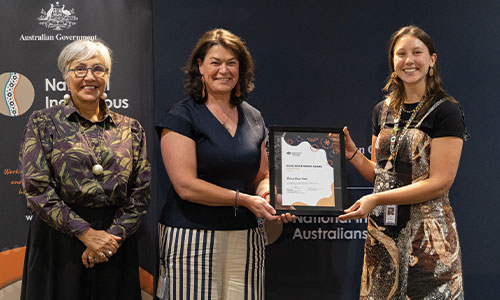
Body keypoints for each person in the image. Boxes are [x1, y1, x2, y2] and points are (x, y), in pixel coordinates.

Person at [156, 28, 294, 300]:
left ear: (240, 69)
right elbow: (186, 187)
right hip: (191, 237)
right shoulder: (182, 115)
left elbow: (261, 175)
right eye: (215, 62)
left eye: (231, 63)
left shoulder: (253, 117)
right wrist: (243, 200)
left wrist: (268, 197)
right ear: (200, 66)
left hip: (246, 237)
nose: (224, 70)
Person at [337, 25, 468, 299]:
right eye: (401, 54)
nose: (409, 61)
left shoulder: (446, 111)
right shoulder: (381, 111)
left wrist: (376, 200)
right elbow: (380, 176)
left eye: (417, 52)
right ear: (393, 63)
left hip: (428, 240)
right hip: (383, 237)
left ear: (432, 59)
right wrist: (352, 154)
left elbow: (440, 182)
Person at [19, 39, 151, 300]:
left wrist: (108, 240)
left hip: (114, 244)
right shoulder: (43, 122)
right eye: (80, 69)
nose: (89, 77)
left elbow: (140, 193)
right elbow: (37, 189)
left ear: (107, 77)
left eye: (99, 69)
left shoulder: (130, 128)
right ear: (66, 77)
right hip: (59, 243)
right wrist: (86, 234)